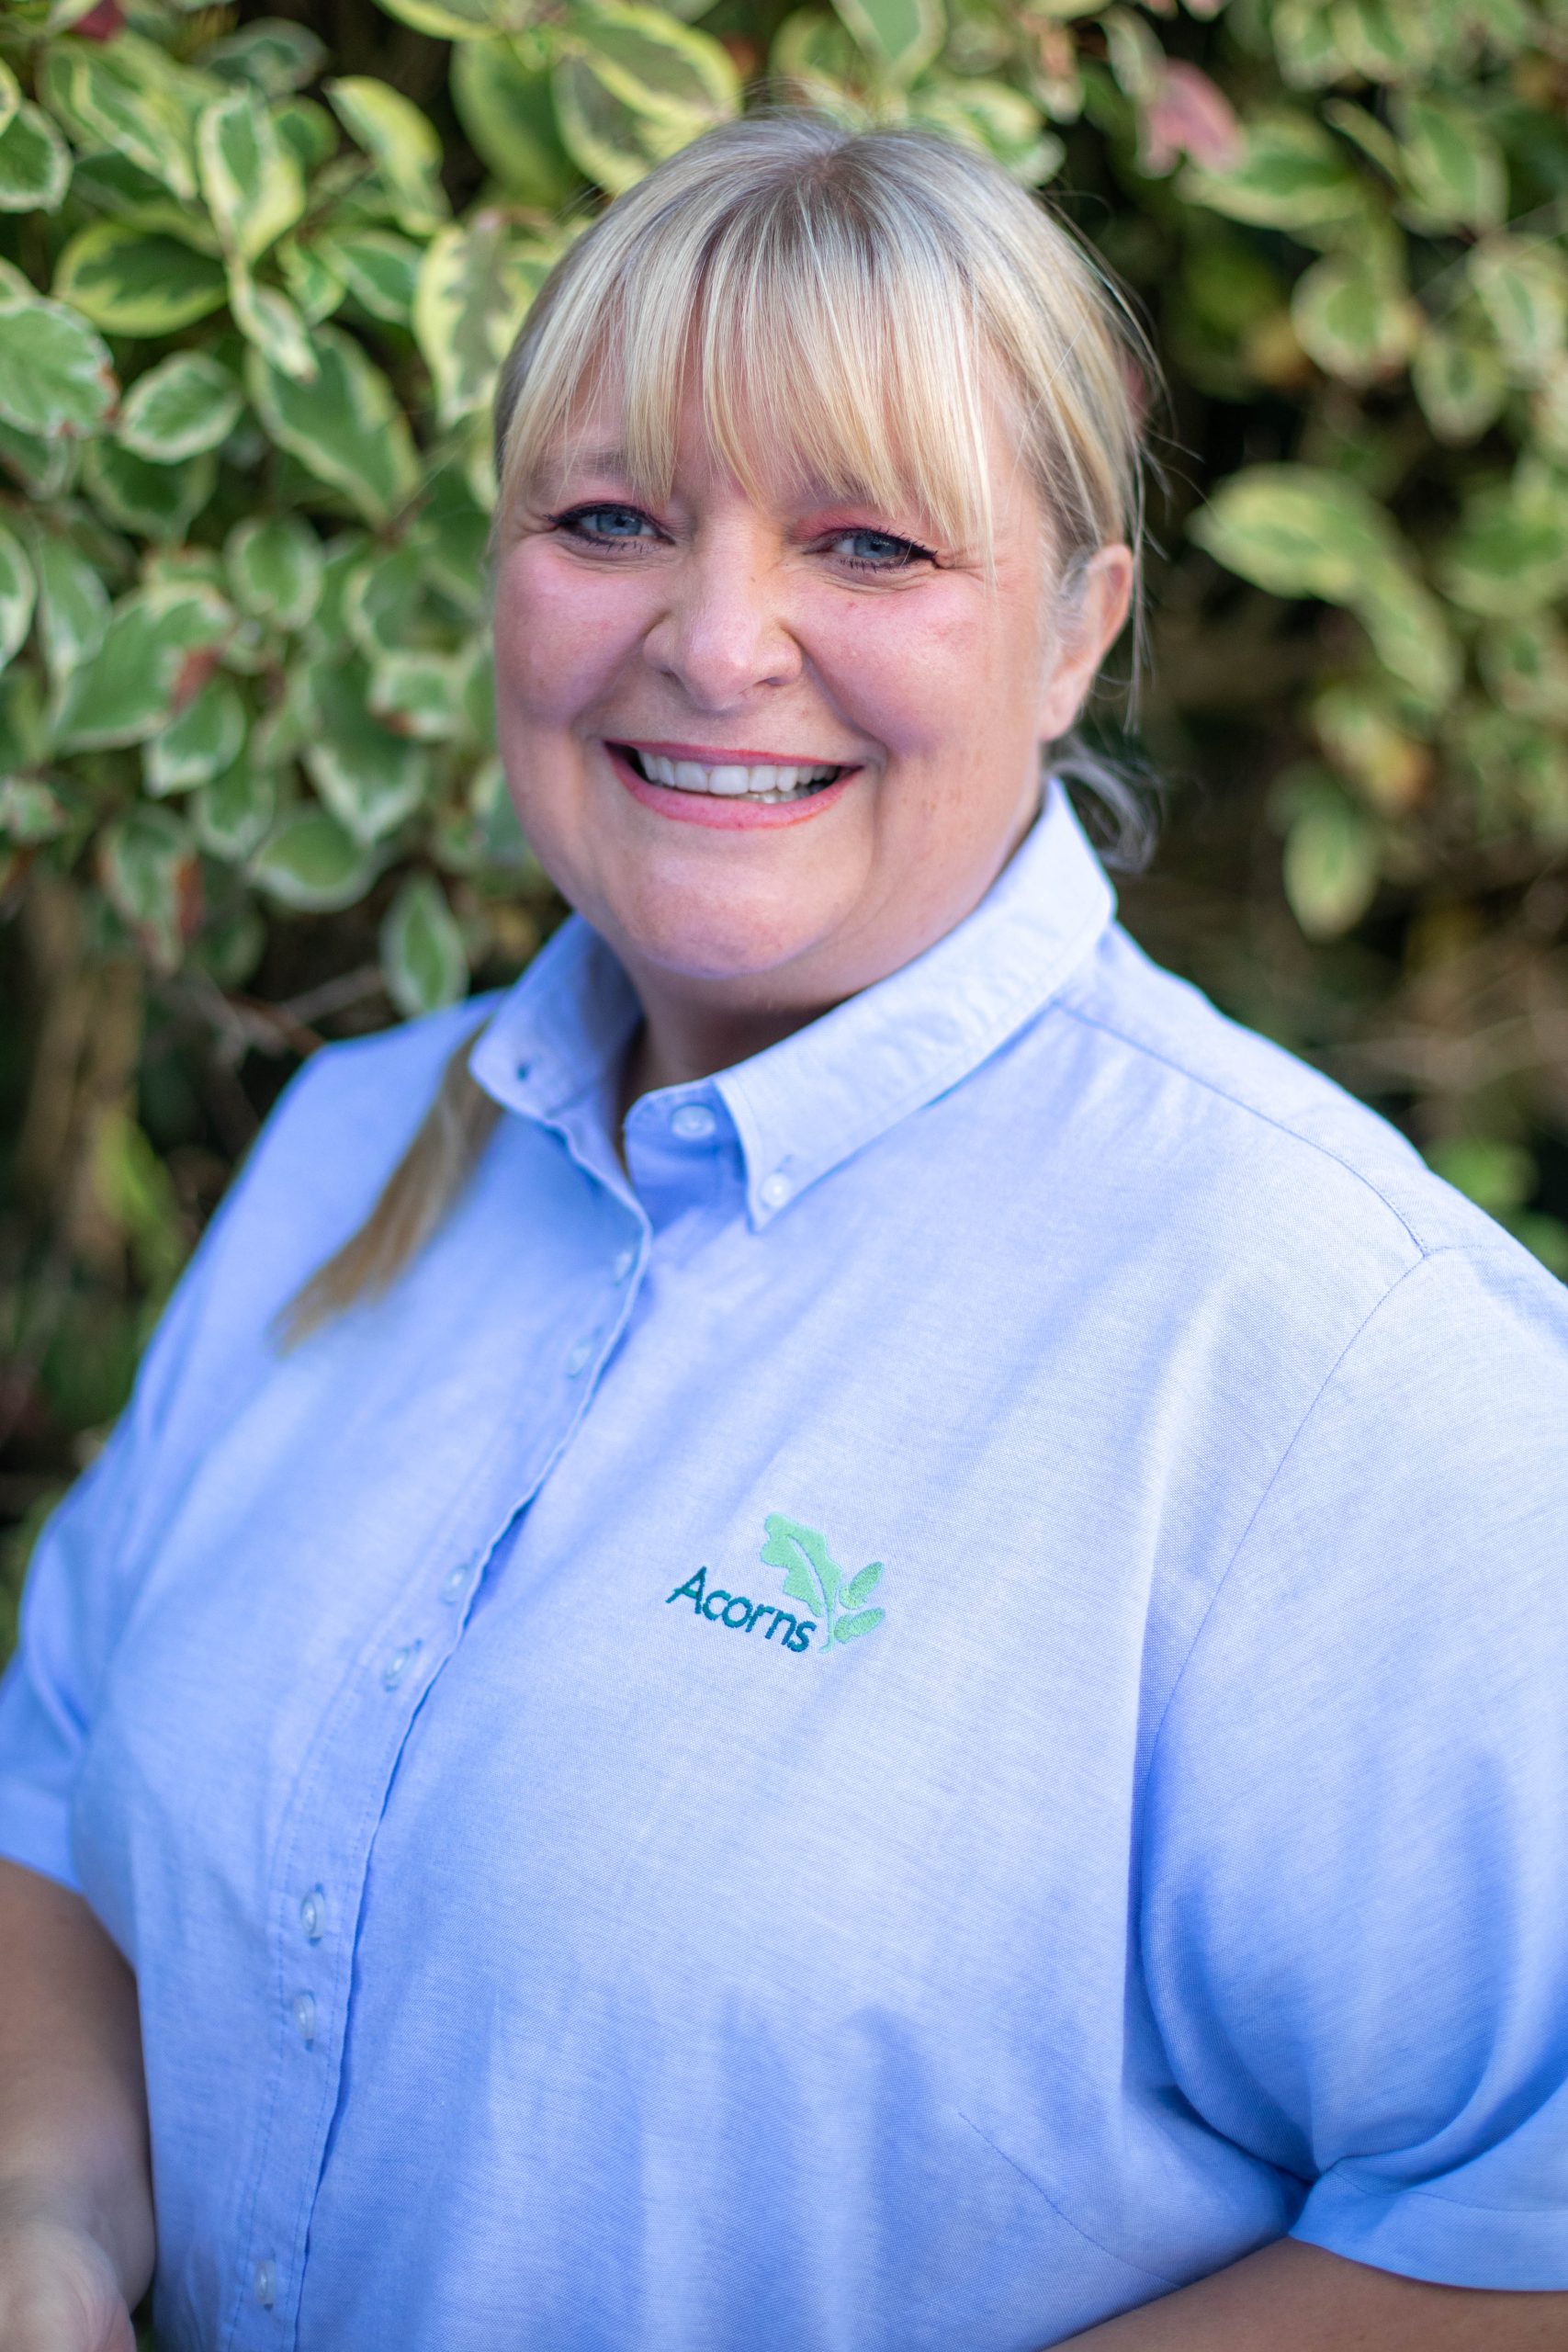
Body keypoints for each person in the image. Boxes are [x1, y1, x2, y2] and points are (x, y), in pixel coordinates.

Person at [1, 111, 1566, 2352]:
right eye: (612, 518)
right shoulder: (349, 1154)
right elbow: (56, 1799)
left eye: (866, 542)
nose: (717, 642)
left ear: (1071, 628)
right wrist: (44, 2224)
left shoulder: (1337, 1353)